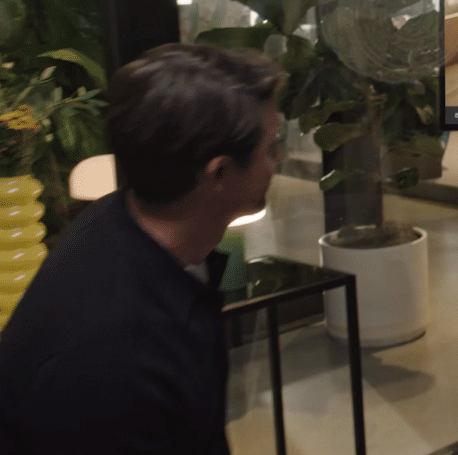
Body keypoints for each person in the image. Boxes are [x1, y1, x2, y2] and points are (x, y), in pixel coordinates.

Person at [0, 43, 285, 455]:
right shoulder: (113, 361)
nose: (277, 162)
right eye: (270, 149)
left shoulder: (119, 221)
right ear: (219, 172)